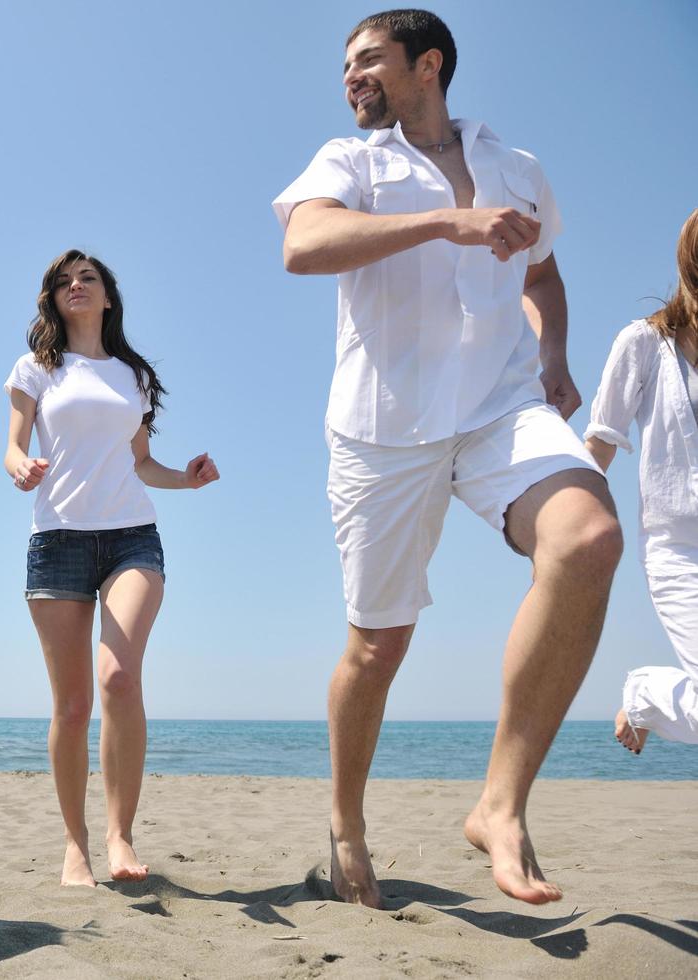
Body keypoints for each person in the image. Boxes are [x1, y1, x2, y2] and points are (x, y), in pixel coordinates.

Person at [272, 9, 622, 907]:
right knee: (378, 646)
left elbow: (540, 274)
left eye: (368, 61)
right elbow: (302, 246)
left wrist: (553, 357)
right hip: (382, 430)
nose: (351, 77)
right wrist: (445, 223)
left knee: (588, 539)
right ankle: (348, 821)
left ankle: (499, 807)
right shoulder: (350, 161)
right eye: (345, 64)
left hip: (501, 405)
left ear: (427, 65)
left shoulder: (518, 169)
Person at [4, 249, 218, 887]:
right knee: (71, 707)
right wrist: (19, 465)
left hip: (131, 539)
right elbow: (14, 444)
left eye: (87, 278)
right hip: (58, 542)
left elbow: (141, 463)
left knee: (119, 680)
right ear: (54, 298)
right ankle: (77, 847)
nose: (76, 285)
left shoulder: (133, 374)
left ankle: (120, 837)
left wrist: (186, 478)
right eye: (64, 280)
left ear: (107, 297)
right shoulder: (36, 369)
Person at [586, 208, 698, 752]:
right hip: (678, 550)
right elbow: (598, 445)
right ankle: (646, 692)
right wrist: (564, 533)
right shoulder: (644, 345)